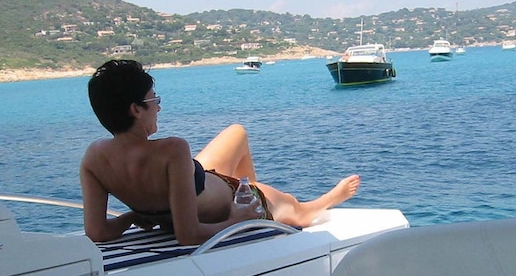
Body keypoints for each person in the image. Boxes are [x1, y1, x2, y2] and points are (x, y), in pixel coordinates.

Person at [80, 59, 360, 245]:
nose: (159, 108)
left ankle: (248, 188)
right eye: (155, 100)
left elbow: (97, 232)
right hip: (220, 202)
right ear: (136, 109)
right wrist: (236, 220)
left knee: (237, 133)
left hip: (202, 184)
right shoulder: (171, 150)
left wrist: (133, 216)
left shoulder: (94, 158)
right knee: (298, 210)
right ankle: (316, 199)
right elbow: (188, 235)